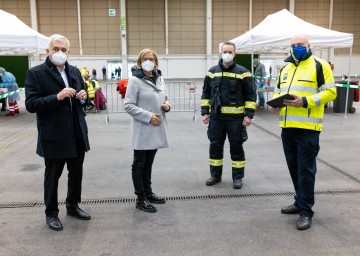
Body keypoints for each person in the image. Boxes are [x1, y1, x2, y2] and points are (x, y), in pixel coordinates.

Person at [25, 34, 91, 231]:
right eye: (56, 49)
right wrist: (57, 97)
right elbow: (31, 104)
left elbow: (84, 100)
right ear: (48, 51)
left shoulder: (75, 72)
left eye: (63, 50)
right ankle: (51, 213)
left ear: (68, 52)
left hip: (77, 132)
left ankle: (73, 205)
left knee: (76, 173)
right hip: (54, 135)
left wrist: (83, 97)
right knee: (53, 176)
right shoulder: (36, 73)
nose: (60, 53)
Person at [272, 34, 336, 230]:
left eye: (300, 44)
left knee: (306, 171)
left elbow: (330, 92)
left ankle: (306, 211)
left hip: (308, 128)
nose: (296, 47)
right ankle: (299, 201)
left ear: (309, 46)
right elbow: (277, 91)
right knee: (294, 168)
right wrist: (276, 103)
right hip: (287, 128)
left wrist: (305, 101)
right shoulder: (285, 68)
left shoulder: (320, 65)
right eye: (293, 45)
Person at [201, 41, 256, 189]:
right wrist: (205, 112)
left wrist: (249, 115)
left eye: (230, 52)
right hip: (216, 118)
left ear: (235, 53)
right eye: (225, 51)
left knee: (236, 147)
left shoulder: (243, 72)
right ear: (221, 53)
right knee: (215, 146)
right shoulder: (212, 72)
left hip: (236, 119)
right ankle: (215, 175)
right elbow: (206, 93)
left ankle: (237, 177)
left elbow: (251, 95)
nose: (227, 54)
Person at [124, 48, 171, 213]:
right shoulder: (135, 80)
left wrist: (167, 105)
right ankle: (140, 198)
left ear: (156, 62)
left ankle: (148, 193)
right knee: (139, 164)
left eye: (151, 59)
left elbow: (165, 98)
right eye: (145, 59)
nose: (148, 61)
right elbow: (128, 105)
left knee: (148, 163)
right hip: (143, 128)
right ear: (139, 61)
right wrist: (148, 116)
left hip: (156, 127)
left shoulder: (159, 78)